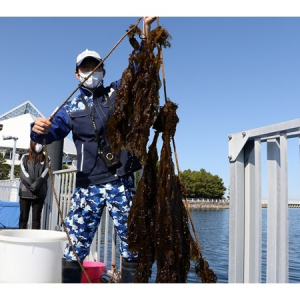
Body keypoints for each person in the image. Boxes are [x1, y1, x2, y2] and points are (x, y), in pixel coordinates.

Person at [30, 17, 157, 283]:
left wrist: (146, 37)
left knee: (132, 244)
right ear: (77, 74)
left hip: (121, 179)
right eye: (85, 67)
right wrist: (37, 129)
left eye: (96, 66)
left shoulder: (115, 93)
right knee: (74, 246)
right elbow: (52, 131)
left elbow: (137, 72)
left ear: (103, 71)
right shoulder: (69, 107)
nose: (91, 71)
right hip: (87, 184)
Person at [19, 140, 50, 229]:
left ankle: (35, 240)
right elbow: (23, 174)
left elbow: (45, 174)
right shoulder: (24, 157)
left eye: (40, 143)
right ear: (32, 144)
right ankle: (21, 239)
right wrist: (32, 186)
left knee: (36, 219)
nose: (38, 145)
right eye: (36, 143)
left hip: (39, 194)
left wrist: (36, 185)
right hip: (25, 193)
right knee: (23, 218)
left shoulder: (47, 159)